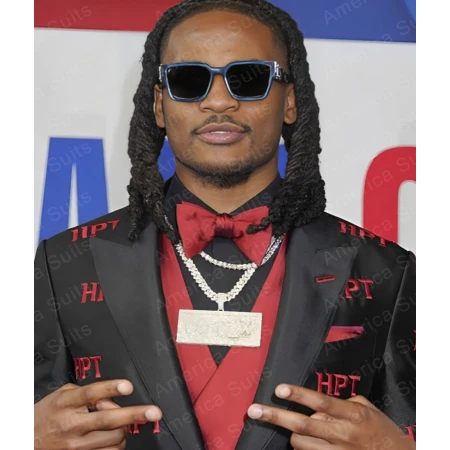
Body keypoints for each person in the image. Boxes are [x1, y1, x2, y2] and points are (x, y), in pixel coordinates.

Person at [34, 0, 416, 449]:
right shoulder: (65, 263)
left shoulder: (384, 269)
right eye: (188, 80)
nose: (218, 101)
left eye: (249, 78)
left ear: (290, 101)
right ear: (159, 105)